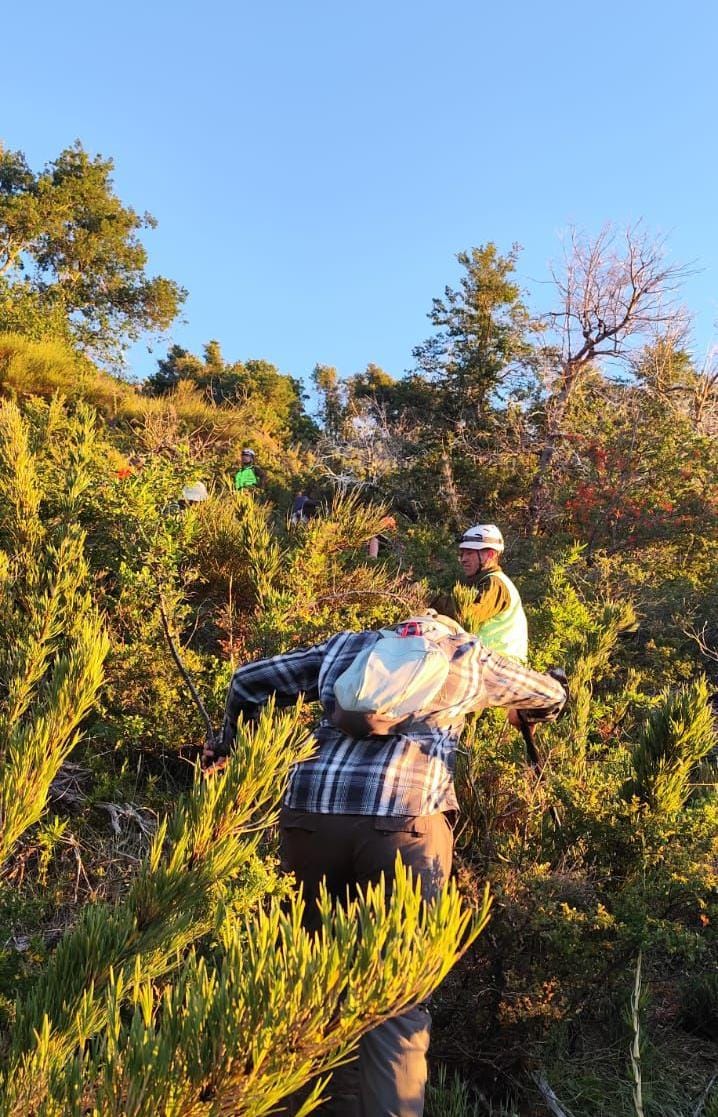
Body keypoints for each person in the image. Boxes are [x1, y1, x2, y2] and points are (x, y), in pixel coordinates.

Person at [208, 612, 567, 1116]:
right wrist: (553, 692)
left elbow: (248, 680)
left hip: (310, 821)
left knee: (304, 979)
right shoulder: (467, 654)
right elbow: (547, 696)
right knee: (395, 998)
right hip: (405, 827)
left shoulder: (348, 645)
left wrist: (230, 747)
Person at [432, 523, 528, 662]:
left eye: (469, 553)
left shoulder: (495, 584)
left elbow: (466, 615)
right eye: (462, 554)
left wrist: (428, 599)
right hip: (487, 658)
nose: (463, 559)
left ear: (490, 555)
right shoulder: (482, 581)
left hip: (499, 662)